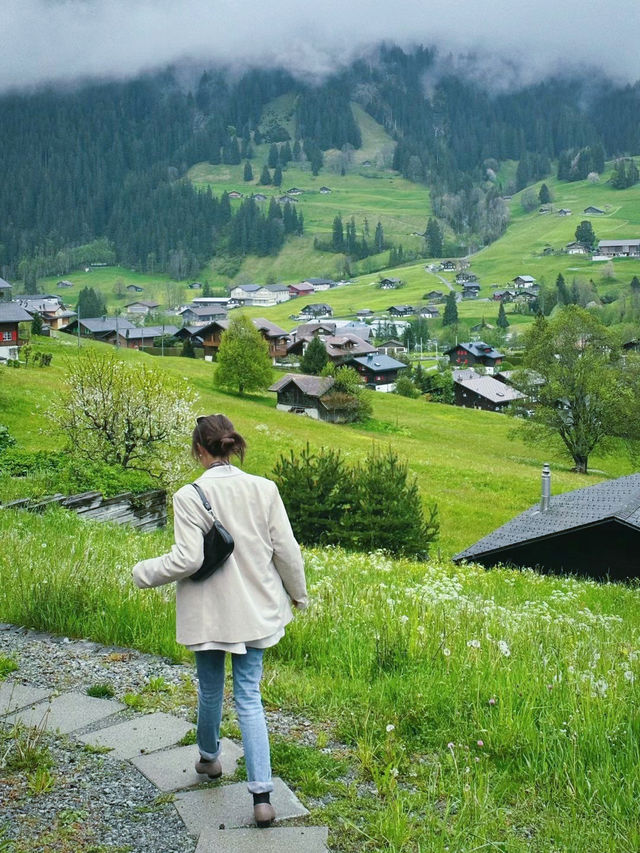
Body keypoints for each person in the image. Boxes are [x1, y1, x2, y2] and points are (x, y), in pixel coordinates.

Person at [132, 414, 307, 828]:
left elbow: (188, 559)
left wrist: (143, 572)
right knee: (249, 698)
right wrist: (298, 595)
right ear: (232, 446)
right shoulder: (264, 489)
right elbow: (287, 551)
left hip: (210, 614)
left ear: (199, 450)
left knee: (210, 691)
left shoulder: (188, 496)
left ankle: (210, 760)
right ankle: (262, 796)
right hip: (255, 613)